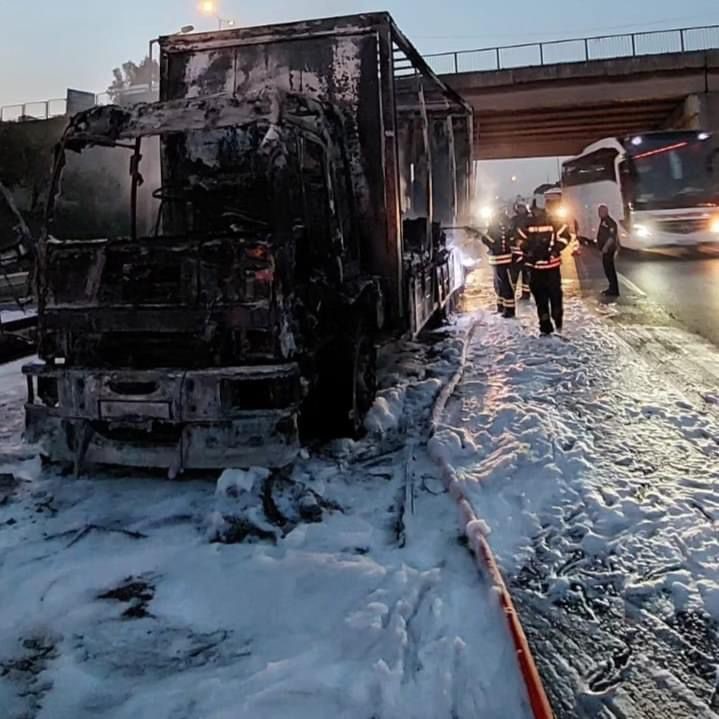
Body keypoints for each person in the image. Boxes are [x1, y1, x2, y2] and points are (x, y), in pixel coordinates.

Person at [519, 196, 572, 335]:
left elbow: (566, 237)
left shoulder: (547, 222)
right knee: (547, 297)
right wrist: (528, 250)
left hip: (546, 268)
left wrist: (553, 250)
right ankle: (549, 324)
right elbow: (519, 239)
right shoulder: (548, 222)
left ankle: (551, 322)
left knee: (548, 297)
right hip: (542, 268)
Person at [481, 213, 517, 318]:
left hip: (499, 260)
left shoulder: (495, 228)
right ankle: (502, 307)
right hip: (502, 260)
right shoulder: (506, 227)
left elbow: (487, 240)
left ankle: (509, 310)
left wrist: (483, 237)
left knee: (504, 285)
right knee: (501, 285)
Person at [510, 202, 531, 301]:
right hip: (515, 254)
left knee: (526, 275)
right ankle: (511, 293)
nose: (521, 210)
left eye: (522, 208)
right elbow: (509, 233)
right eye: (519, 208)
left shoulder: (531, 220)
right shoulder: (513, 220)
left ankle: (526, 294)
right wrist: (513, 241)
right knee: (513, 275)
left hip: (527, 253)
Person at [597, 204, 620, 297]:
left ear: (606, 211)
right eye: (599, 212)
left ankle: (614, 290)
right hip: (606, 249)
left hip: (608, 250)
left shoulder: (609, 222)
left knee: (610, 270)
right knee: (608, 270)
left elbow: (612, 236)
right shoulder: (604, 221)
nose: (599, 213)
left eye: (601, 211)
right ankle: (611, 288)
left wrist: (605, 247)